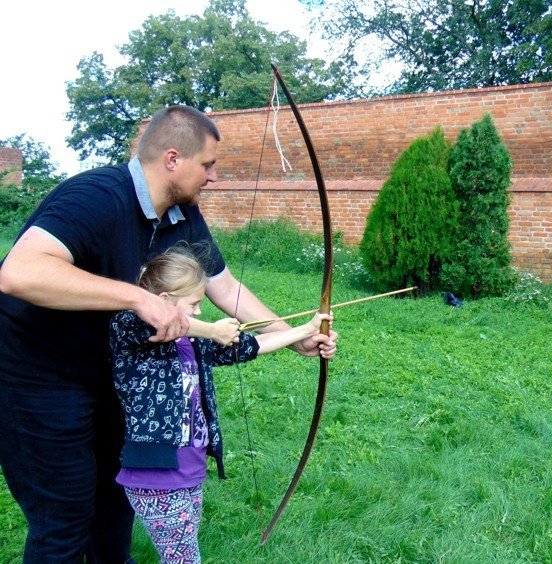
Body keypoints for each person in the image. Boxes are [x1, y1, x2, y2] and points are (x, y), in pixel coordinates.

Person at [0, 105, 338, 563]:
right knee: (63, 519)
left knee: (112, 509)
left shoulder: (183, 216)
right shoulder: (96, 196)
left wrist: (293, 335)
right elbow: (18, 273)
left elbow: (225, 286)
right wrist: (137, 298)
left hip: (116, 378)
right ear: (173, 159)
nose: (214, 176)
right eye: (209, 164)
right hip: (38, 378)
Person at [110, 247, 332, 563]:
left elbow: (250, 346)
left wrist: (306, 331)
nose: (199, 312)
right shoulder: (129, 330)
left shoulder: (193, 342)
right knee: (183, 559)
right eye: (194, 304)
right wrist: (213, 329)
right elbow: (151, 324)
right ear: (162, 300)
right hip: (154, 474)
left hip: (189, 470)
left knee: (181, 554)